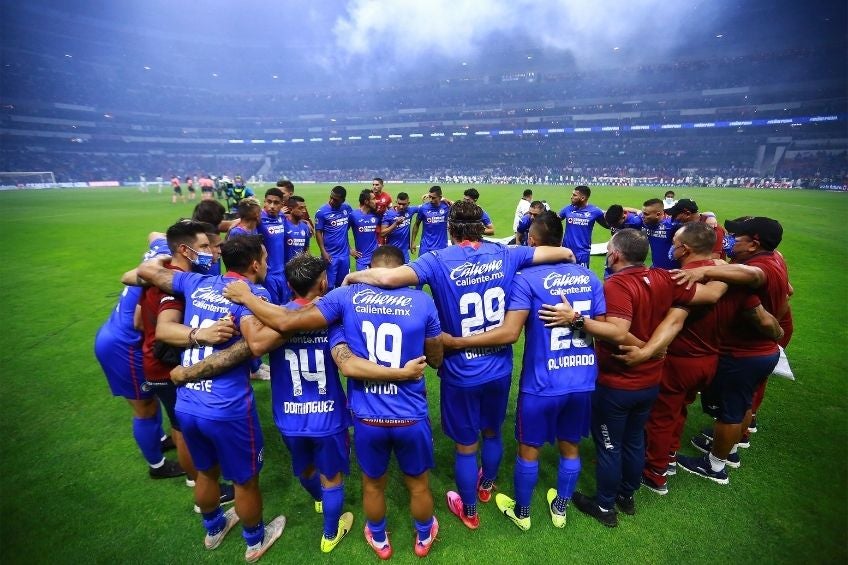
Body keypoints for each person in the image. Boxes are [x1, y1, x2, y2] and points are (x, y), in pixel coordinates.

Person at [169, 252, 430, 554]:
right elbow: (346, 360)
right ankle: (331, 532)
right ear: (322, 284)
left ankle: (316, 499)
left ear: (289, 285)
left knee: (305, 468)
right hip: (329, 416)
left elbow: (256, 345)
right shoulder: (332, 318)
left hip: (289, 416)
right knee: (332, 477)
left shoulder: (274, 322)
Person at [344, 201, 576, 531]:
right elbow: (555, 253)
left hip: (460, 369)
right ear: (482, 225)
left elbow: (389, 277)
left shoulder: (436, 260)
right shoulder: (507, 253)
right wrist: (568, 256)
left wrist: (353, 275)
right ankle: (486, 486)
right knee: (493, 431)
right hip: (498, 366)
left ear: (451, 230)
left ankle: (469, 510)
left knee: (466, 446)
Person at [539, 229, 725, 527]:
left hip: (618, 381)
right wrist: (718, 266)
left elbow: (616, 331)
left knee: (610, 446)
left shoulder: (616, 285)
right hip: (650, 380)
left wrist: (574, 319)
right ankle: (627, 496)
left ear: (614, 255)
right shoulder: (665, 277)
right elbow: (712, 293)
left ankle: (604, 506)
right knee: (635, 439)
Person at [442, 212, 604, 530]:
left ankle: (523, 513)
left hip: (542, 383)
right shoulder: (590, 278)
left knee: (528, 449)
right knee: (570, 446)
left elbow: (508, 333)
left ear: (531, 241)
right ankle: (560, 509)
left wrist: (458, 341)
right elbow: (605, 328)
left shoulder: (527, 280)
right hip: (583, 379)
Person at [136, 235, 286, 562]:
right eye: (263, 257)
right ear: (255, 264)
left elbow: (148, 271)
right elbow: (259, 343)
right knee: (245, 480)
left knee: (206, 472)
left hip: (188, 401)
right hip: (227, 406)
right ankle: (255, 540)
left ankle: (214, 528)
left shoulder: (196, 282)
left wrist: (161, 258)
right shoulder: (254, 295)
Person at [611, 223, 780, 494]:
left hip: (679, 358)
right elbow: (758, 311)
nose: (671, 247)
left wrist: (647, 350)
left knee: (661, 416)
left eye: (675, 242)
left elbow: (675, 321)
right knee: (680, 410)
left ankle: (655, 472)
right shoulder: (728, 278)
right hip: (710, 359)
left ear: (684, 249)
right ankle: (670, 457)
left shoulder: (680, 277)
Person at [125, 220, 239, 508]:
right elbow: (164, 329)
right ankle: (198, 485)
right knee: (183, 432)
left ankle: (203, 484)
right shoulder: (174, 284)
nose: (213, 252)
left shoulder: (165, 275)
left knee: (184, 427)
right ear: (186, 251)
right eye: (205, 247)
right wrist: (202, 334)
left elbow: (138, 320)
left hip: (157, 359)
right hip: (166, 367)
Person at [671, 217, 789, 484]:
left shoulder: (759, 268)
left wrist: (705, 271)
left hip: (744, 353)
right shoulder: (778, 259)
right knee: (743, 403)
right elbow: (788, 292)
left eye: (737, 237)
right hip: (763, 351)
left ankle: (715, 466)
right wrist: (777, 329)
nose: (731, 240)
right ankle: (732, 450)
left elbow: (753, 282)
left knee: (730, 412)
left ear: (753, 243)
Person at [94, 283, 176, 477]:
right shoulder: (163, 272)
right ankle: (157, 466)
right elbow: (139, 322)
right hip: (125, 347)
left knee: (150, 398)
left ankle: (159, 440)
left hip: (116, 336)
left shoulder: (153, 262)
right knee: (145, 407)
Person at [315, 186, 354, 290]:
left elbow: (349, 225)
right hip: (330, 255)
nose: (331, 201)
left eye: (335, 200)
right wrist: (323, 251)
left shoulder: (347, 208)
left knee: (343, 284)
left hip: (344, 255)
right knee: (329, 285)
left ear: (343, 200)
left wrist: (349, 248)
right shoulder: (322, 212)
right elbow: (318, 231)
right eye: (331, 197)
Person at [558, 185, 607, 268]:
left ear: (583, 198)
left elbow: (608, 225)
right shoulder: (568, 209)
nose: (571, 197)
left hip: (582, 253)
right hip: (566, 251)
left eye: (574, 195)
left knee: (581, 278)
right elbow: (554, 220)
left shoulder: (595, 211)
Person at [257, 188, 289, 305]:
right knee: (272, 307)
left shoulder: (282, 217)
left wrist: (304, 222)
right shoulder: (258, 219)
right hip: (268, 274)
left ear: (282, 204)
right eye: (268, 201)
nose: (271, 206)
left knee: (285, 305)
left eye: (276, 203)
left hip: (283, 272)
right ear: (264, 202)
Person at [640, 198, 679, 269]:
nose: (642, 216)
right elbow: (635, 212)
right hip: (656, 269)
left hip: (673, 272)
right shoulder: (646, 221)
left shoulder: (672, 225)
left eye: (646, 214)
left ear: (658, 214)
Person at [380, 192, 419, 263]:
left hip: (405, 253)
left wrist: (441, 199)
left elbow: (425, 206)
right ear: (396, 202)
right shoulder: (389, 214)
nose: (401, 206)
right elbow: (382, 233)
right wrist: (395, 224)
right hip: (392, 252)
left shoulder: (410, 210)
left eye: (404, 204)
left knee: (406, 273)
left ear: (408, 203)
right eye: (399, 203)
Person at [411, 186, 450, 256]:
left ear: (440, 197)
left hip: (441, 248)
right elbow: (416, 224)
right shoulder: (423, 208)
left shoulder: (446, 207)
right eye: (430, 197)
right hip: (425, 248)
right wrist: (413, 242)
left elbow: (460, 207)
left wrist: (446, 199)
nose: (431, 200)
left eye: (433, 198)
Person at [350, 189, 379, 271]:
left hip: (376, 259)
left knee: (378, 283)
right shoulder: (353, 215)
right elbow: (342, 233)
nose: (376, 201)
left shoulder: (376, 215)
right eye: (373, 199)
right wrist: (349, 250)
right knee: (363, 283)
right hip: (362, 260)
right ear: (366, 201)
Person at [282, 196, 311, 264]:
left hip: (299, 269)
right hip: (284, 268)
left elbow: (306, 249)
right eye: (300, 208)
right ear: (291, 209)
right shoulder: (282, 225)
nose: (304, 211)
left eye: (304, 208)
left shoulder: (305, 227)